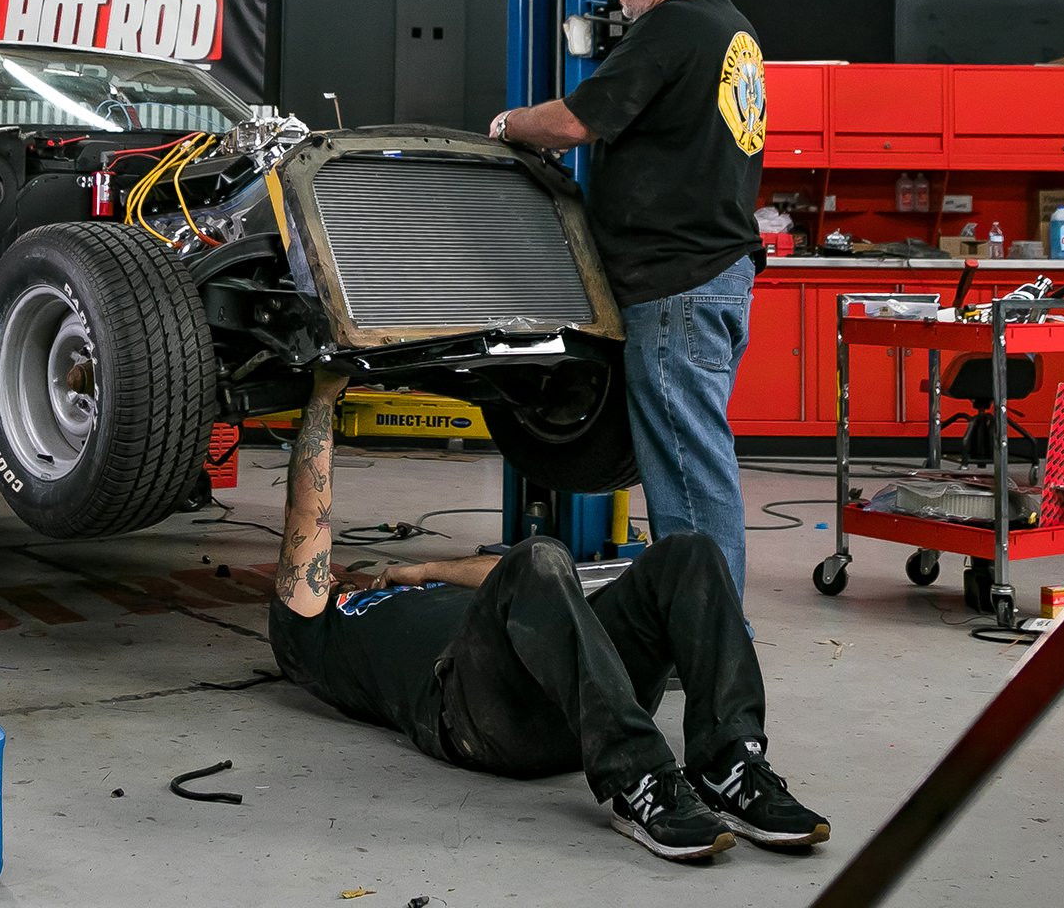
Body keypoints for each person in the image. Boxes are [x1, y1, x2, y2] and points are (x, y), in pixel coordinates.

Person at [267, 369, 830, 862]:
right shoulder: (309, 626)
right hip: (480, 720)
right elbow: (308, 513)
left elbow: (519, 582)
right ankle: (640, 780)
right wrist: (321, 399)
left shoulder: (403, 587)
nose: (336, 566)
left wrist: (416, 570)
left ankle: (731, 765)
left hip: (583, 693)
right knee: (538, 556)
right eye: (327, 565)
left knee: (690, 553)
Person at [484, 0, 763, 601]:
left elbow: (577, 121)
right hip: (715, 274)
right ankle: (700, 628)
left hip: (677, 285)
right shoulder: (732, 28)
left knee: (688, 477)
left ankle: (713, 638)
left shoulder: (671, 28)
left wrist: (509, 125)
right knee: (692, 459)